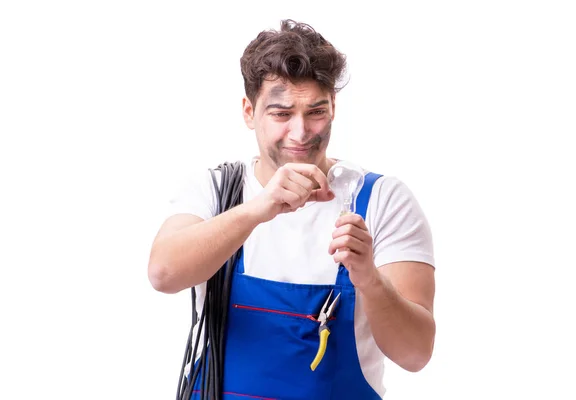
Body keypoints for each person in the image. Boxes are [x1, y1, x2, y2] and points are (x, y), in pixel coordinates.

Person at [148, 19, 436, 400]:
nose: (300, 133)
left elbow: (416, 355)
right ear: (249, 111)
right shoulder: (216, 191)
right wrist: (258, 208)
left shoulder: (382, 200)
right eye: (281, 114)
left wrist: (368, 277)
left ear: (333, 105)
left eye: (315, 112)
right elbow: (163, 273)